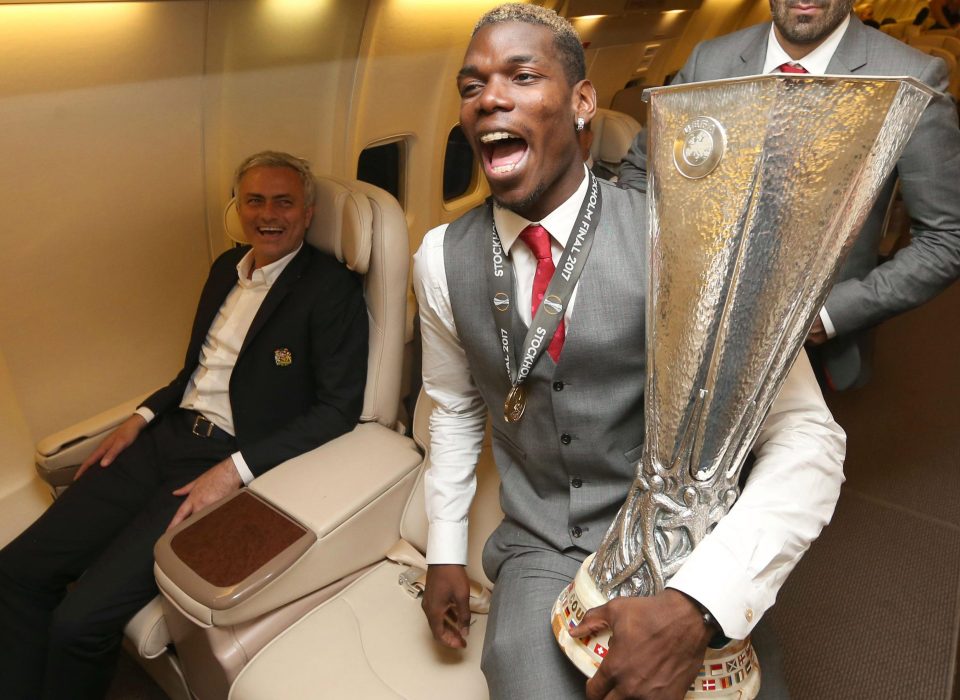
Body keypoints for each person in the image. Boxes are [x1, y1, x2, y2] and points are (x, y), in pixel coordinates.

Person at [413, 5, 845, 699]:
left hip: (683, 542)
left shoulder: (683, 244)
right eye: (472, 86)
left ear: (583, 101)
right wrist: (444, 550)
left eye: (522, 76)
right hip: (541, 545)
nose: (490, 97)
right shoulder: (439, 259)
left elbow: (807, 436)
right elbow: (456, 408)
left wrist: (698, 605)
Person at [0, 151, 369, 699]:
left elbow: (338, 410)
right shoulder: (225, 268)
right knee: (15, 572)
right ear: (238, 208)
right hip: (161, 438)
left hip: (219, 460)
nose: (268, 214)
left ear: (309, 212)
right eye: (255, 201)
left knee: (80, 622)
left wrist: (234, 470)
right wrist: (142, 415)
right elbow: (194, 368)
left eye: (284, 202)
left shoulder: (329, 290)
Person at [619, 0, 960, 391]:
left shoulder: (911, 77)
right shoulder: (710, 60)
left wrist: (831, 315)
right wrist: (657, 274)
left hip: (812, 350)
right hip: (690, 331)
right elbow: (642, 172)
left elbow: (946, 237)